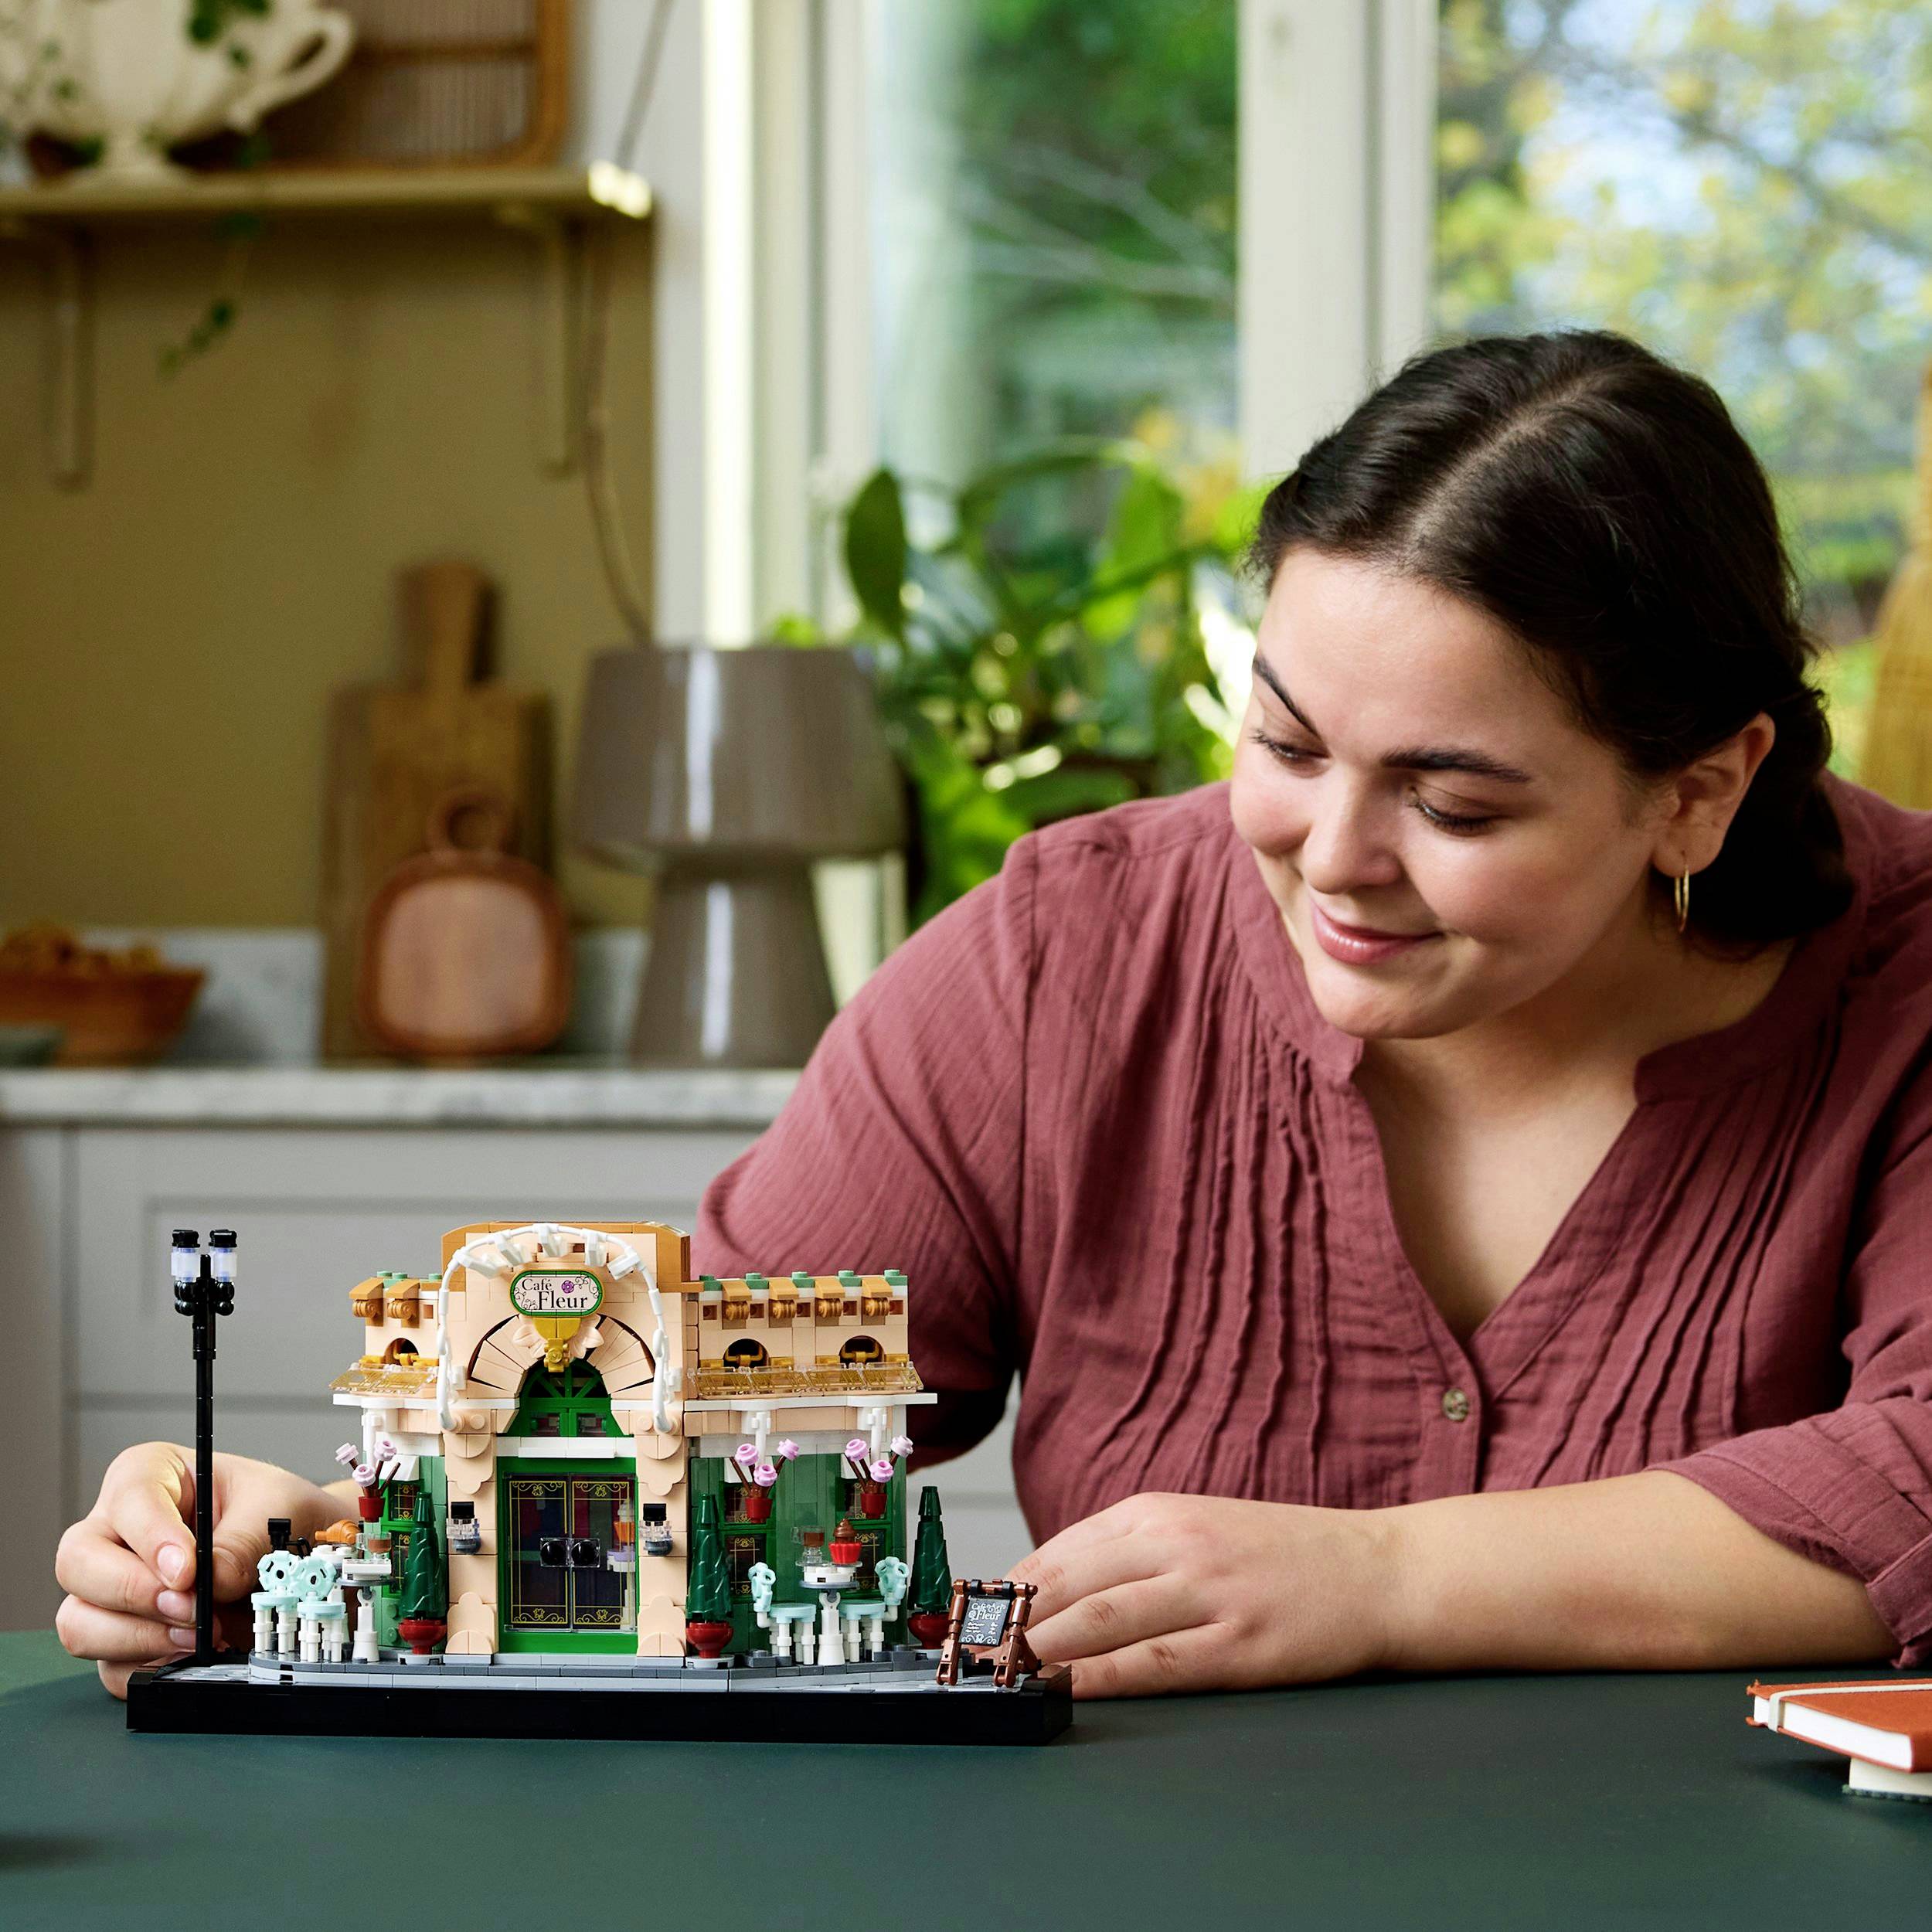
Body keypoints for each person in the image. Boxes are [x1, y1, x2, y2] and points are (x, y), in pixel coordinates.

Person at [56, 332, 1932, 1702]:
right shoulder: (1067, 946)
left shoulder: (1901, 978)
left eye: (1451, 803)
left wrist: (1378, 1575)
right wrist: (316, 1538)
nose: (1325, 858)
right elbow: (710, 1409)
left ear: (1696, 786)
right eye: (1279, 743)